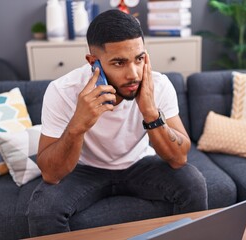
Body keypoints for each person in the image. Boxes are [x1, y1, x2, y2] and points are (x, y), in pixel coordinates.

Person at [27, 9, 207, 236]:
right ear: (94, 62)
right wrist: (77, 126)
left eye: (139, 59)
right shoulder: (63, 90)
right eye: (119, 63)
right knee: (43, 208)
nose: (134, 74)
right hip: (84, 170)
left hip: (139, 165)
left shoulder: (158, 85)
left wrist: (150, 113)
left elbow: (180, 158)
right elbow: (51, 174)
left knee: (192, 183)